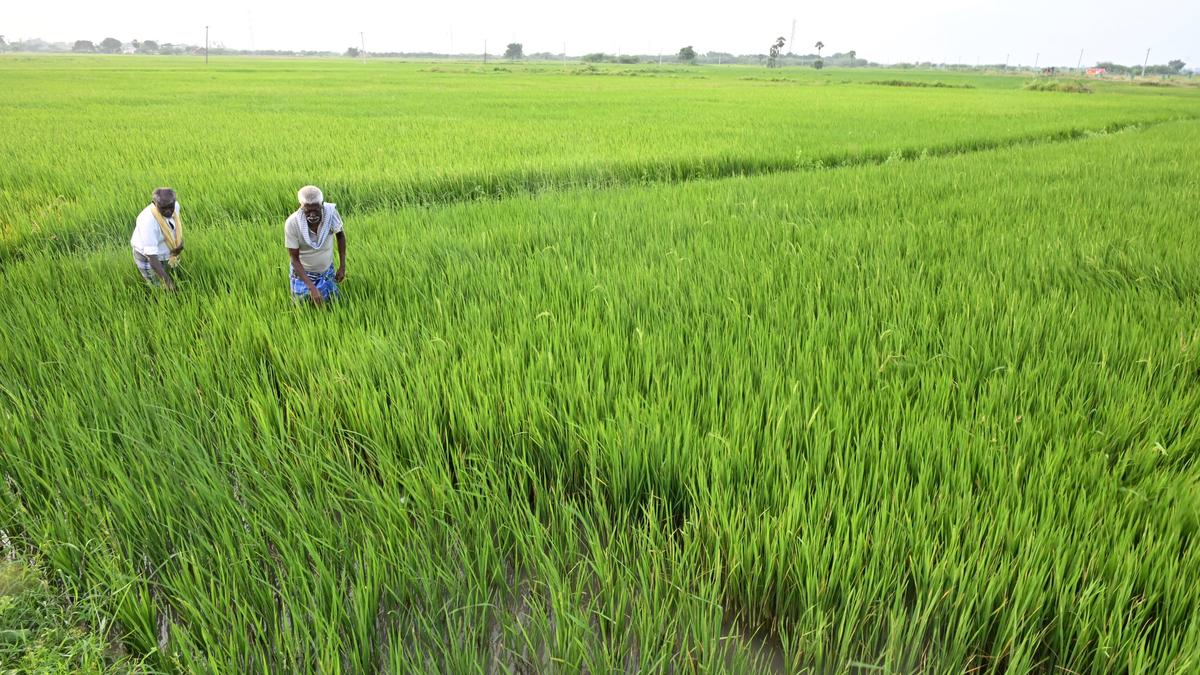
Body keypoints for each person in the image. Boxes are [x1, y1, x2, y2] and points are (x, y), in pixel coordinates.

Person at [285, 185, 346, 306]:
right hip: (303, 274)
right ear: (301, 206)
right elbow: (294, 259)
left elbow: (341, 236)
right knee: (302, 307)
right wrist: (312, 288)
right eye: (308, 211)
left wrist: (342, 266)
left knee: (332, 304)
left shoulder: (330, 214)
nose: (312, 215)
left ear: (322, 205)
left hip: (326, 271)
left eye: (316, 210)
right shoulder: (292, 223)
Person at [130, 187, 184, 290]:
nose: (168, 211)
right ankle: (159, 300)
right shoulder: (148, 222)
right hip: (147, 257)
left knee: (170, 275)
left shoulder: (175, 206)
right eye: (163, 208)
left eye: (170, 207)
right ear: (154, 204)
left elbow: (176, 226)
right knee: (157, 286)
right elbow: (152, 258)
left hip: (165, 252)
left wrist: (179, 242)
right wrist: (169, 283)